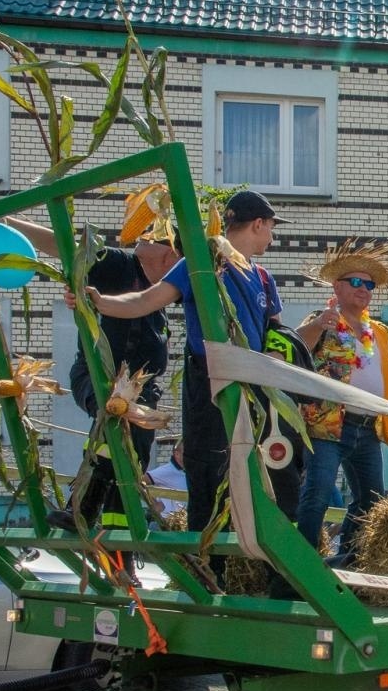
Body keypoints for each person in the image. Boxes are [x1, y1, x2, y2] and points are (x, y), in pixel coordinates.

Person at [0, 190, 181, 534]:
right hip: (100, 377)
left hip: (142, 391)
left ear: (169, 255)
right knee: (116, 420)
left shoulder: (161, 296)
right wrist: (0, 219)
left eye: (153, 236)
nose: (142, 238)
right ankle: (81, 509)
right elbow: (63, 246)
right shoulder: (118, 266)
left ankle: (120, 533)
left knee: (132, 455)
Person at [76, 190, 293, 540]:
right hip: (208, 380)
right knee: (207, 466)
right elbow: (146, 300)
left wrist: (280, 360)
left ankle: (249, 545)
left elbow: (278, 334)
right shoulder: (202, 262)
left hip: (253, 384)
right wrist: (101, 303)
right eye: (271, 227)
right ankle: (207, 552)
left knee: (254, 466)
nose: (272, 236)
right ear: (258, 224)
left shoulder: (264, 278)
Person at [293, 241, 388, 565]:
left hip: (367, 428)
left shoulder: (378, 331)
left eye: (369, 284)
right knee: (317, 494)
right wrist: (318, 325)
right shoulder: (323, 320)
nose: (363, 289)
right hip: (328, 426)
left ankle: (347, 560)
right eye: (355, 282)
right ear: (337, 287)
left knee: (370, 500)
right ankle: (302, 566)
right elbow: (297, 347)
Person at [146, 440, 187, 520]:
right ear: (177, 454)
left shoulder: (189, 472)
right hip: (167, 523)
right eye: (187, 452)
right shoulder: (166, 470)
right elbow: (140, 482)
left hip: (185, 523)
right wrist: (155, 504)